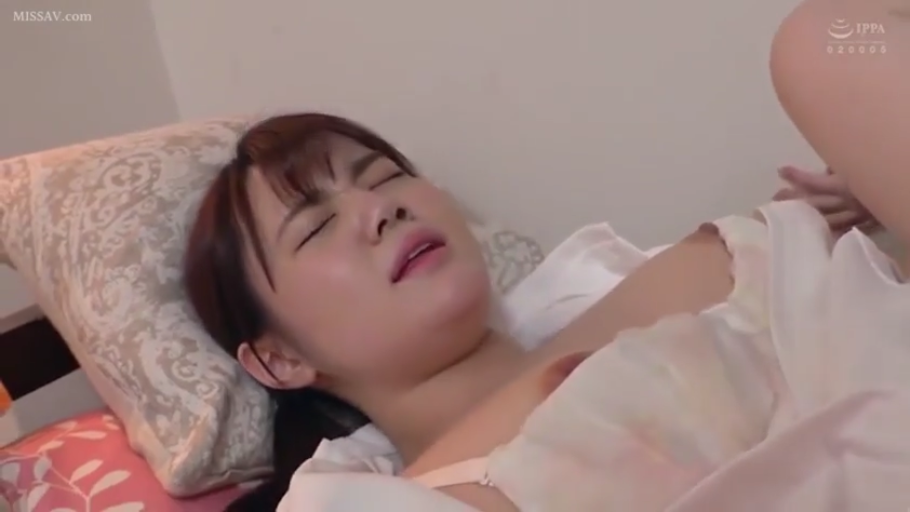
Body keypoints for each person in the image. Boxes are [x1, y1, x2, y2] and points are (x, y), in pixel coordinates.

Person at [181, 108, 890, 510]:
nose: (379, 208)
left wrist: (873, 189)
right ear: (279, 359)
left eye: (386, 176)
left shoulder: (701, 258)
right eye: (315, 227)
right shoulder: (386, 501)